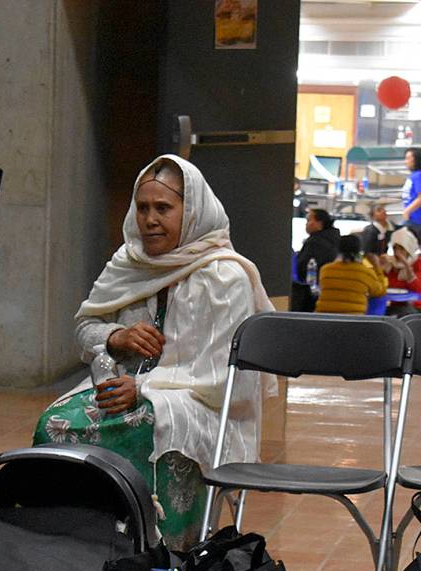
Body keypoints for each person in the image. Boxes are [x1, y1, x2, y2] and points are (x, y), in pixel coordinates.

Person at [34, 155, 273, 550]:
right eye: (143, 208)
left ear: (191, 211)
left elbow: (219, 377)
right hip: (119, 390)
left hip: (199, 404)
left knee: (147, 424)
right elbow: (84, 328)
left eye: (163, 208)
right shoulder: (128, 263)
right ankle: (74, 547)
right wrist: (116, 337)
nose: (150, 219)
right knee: (54, 424)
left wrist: (144, 388)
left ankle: (161, 555)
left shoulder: (225, 275)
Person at [314, 234, 386, 314]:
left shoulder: (325, 269)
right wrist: (377, 266)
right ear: (359, 251)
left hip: (324, 317)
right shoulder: (365, 272)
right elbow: (380, 291)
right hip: (354, 318)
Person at [292, 208, 340, 313]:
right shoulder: (334, 239)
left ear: (319, 223)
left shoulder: (314, 242)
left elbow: (303, 267)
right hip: (328, 291)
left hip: (310, 294)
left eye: (309, 220)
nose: (306, 224)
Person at [382, 227, 421, 314]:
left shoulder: (417, 263)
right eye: (395, 248)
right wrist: (381, 266)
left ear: (409, 250)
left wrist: (406, 265)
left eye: (401, 249)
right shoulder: (391, 264)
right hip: (395, 306)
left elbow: (418, 289)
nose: (397, 252)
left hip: (415, 307)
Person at [402, 147, 421, 238]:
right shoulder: (414, 176)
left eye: (408, 158)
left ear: (415, 160)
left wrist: (407, 211)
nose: (405, 162)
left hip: (416, 220)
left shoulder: (418, 176)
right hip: (412, 219)